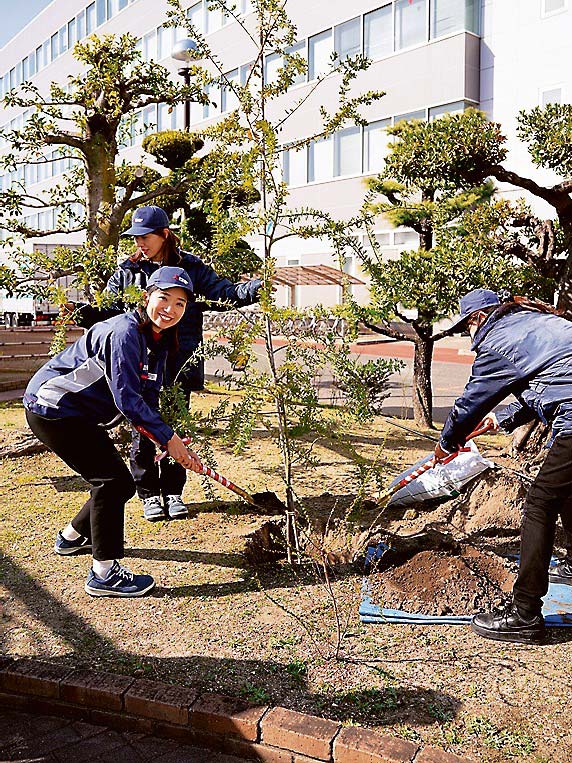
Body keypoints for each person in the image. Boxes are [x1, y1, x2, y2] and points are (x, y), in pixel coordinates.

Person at [71, 205, 262, 522]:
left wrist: (255, 287)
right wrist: (89, 313)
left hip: (179, 360)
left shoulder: (190, 267)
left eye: (146, 236)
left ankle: (173, 493)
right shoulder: (128, 271)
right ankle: (148, 494)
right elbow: (107, 308)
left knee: (176, 426)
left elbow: (224, 293)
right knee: (143, 427)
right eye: (135, 238)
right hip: (140, 360)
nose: (140, 243)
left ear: (164, 235)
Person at [24, 266, 202, 598]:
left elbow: (148, 396)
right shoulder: (126, 333)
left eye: (180, 303)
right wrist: (168, 438)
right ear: (147, 296)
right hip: (53, 409)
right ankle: (104, 574)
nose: (171, 309)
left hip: (76, 414)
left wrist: (165, 439)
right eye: (164, 298)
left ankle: (72, 537)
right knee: (113, 481)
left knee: (114, 483)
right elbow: (128, 398)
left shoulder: (157, 340)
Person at [436, 288, 572, 643]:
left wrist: (448, 442)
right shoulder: (531, 322)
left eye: (466, 325)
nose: (468, 333)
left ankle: (525, 613)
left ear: (478, 318)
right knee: (566, 495)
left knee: (540, 504)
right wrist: (506, 418)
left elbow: (470, 403)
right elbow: (552, 379)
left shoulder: (496, 340)